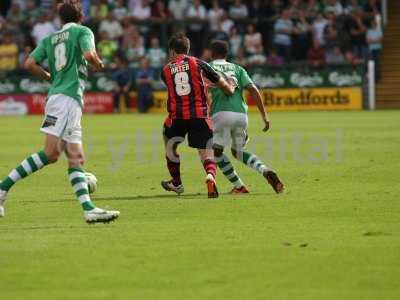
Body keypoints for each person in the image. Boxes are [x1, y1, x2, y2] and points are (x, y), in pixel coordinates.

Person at [0, 1, 120, 223]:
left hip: (59, 97)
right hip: (68, 99)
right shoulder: (83, 31)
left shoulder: (50, 38)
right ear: (80, 16)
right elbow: (89, 55)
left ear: (60, 19)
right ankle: (2, 189)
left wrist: (49, 77)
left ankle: (88, 209)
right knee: (50, 153)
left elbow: (29, 64)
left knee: (76, 157)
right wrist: (99, 64)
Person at [160, 34, 235, 198]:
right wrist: (230, 87)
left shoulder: (165, 70)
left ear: (172, 51)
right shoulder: (199, 63)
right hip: (200, 115)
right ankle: (210, 176)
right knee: (206, 152)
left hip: (176, 117)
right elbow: (223, 85)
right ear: (187, 49)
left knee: (170, 145)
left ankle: (177, 182)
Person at [208, 40, 284, 194]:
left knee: (216, 152)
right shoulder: (237, 68)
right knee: (238, 151)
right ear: (226, 54)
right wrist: (264, 116)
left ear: (211, 53)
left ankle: (239, 186)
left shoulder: (208, 67)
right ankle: (264, 170)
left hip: (220, 113)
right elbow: (253, 89)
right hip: (241, 115)